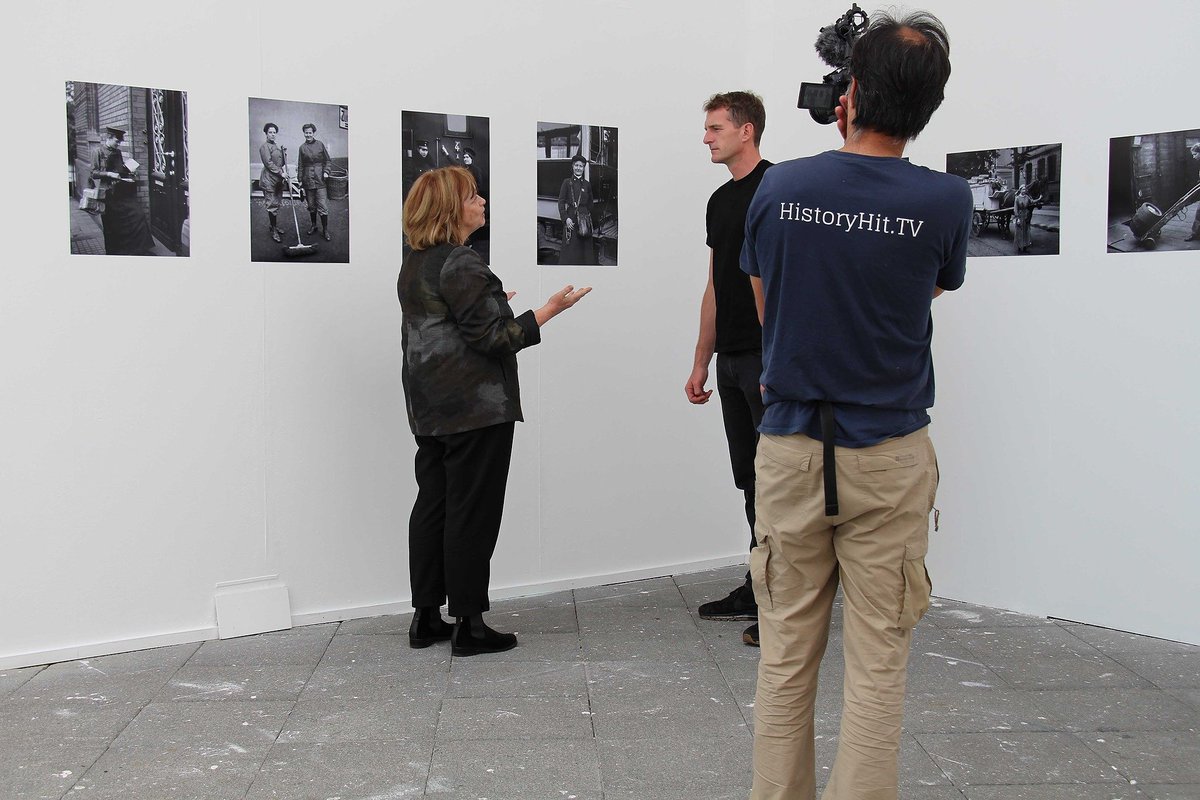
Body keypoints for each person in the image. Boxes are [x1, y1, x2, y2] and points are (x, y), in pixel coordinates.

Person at [741, 11, 971, 799]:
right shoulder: (946, 201)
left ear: (852, 91)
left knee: (784, 656)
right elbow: (925, 291)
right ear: (930, 106)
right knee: (879, 662)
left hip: (793, 449)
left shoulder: (781, 186)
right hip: (889, 454)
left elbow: (769, 305)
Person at [398, 166, 591, 656]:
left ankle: (426, 617)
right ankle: (469, 624)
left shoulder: (416, 261)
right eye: (472, 196)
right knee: (472, 512)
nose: (482, 202)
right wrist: (548, 311)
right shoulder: (462, 262)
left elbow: (448, 323)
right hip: (474, 406)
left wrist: (490, 305)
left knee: (435, 504)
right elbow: (493, 338)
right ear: (450, 208)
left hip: (430, 406)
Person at [685, 91, 772, 647]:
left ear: (747, 130)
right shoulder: (719, 201)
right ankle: (759, 582)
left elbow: (790, 281)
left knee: (781, 483)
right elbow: (716, 283)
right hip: (734, 359)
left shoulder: (782, 189)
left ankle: (782, 602)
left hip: (770, 359)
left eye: (716, 128)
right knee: (751, 478)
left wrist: (783, 359)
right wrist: (700, 359)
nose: (706, 137)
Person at [88, 126, 153, 256]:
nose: (118, 144)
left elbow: (120, 170)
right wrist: (109, 174)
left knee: (137, 215)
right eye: (117, 141)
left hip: (121, 192)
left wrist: (130, 170)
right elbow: (94, 173)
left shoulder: (117, 152)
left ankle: (134, 249)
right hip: (108, 193)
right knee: (111, 225)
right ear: (109, 138)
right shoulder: (98, 151)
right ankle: (114, 252)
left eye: (119, 142)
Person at [557, 153, 596, 265]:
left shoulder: (587, 185)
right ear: (573, 167)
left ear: (584, 168)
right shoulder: (566, 182)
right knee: (571, 252)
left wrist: (586, 218)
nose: (578, 168)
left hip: (584, 221)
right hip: (571, 220)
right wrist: (566, 218)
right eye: (576, 165)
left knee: (585, 253)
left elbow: (591, 204)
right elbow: (560, 202)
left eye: (581, 166)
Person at [297, 123, 332, 241]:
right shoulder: (302, 147)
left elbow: (328, 161)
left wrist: (326, 171)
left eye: (310, 132)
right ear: (304, 133)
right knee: (311, 206)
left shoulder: (320, 144)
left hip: (320, 180)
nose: (308, 135)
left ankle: (325, 229)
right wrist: (300, 181)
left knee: (322, 206)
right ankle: (313, 225)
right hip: (308, 180)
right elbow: (300, 165)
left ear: (313, 133)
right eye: (306, 133)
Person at [259, 123, 285, 243]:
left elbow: (281, 163)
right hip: (269, 179)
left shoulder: (277, 146)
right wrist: (280, 172)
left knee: (277, 203)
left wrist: (284, 154)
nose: (273, 134)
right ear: (266, 133)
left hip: (278, 180)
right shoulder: (264, 147)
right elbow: (268, 164)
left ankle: (273, 226)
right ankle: (273, 230)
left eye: (274, 132)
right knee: (271, 205)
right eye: (270, 132)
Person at [1014, 183, 1033, 252]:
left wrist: (1039, 198)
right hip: (1020, 216)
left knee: (1026, 231)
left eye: (1025, 189)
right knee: (1019, 232)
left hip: (1026, 216)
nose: (1024, 190)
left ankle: (1025, 247)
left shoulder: (1027, 197)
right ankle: (1019, 247)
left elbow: (1032, 202)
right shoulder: (1017, 198)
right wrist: (1017, 218)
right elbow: (1015, 209)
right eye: (1023, 189)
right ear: (1020, 190)